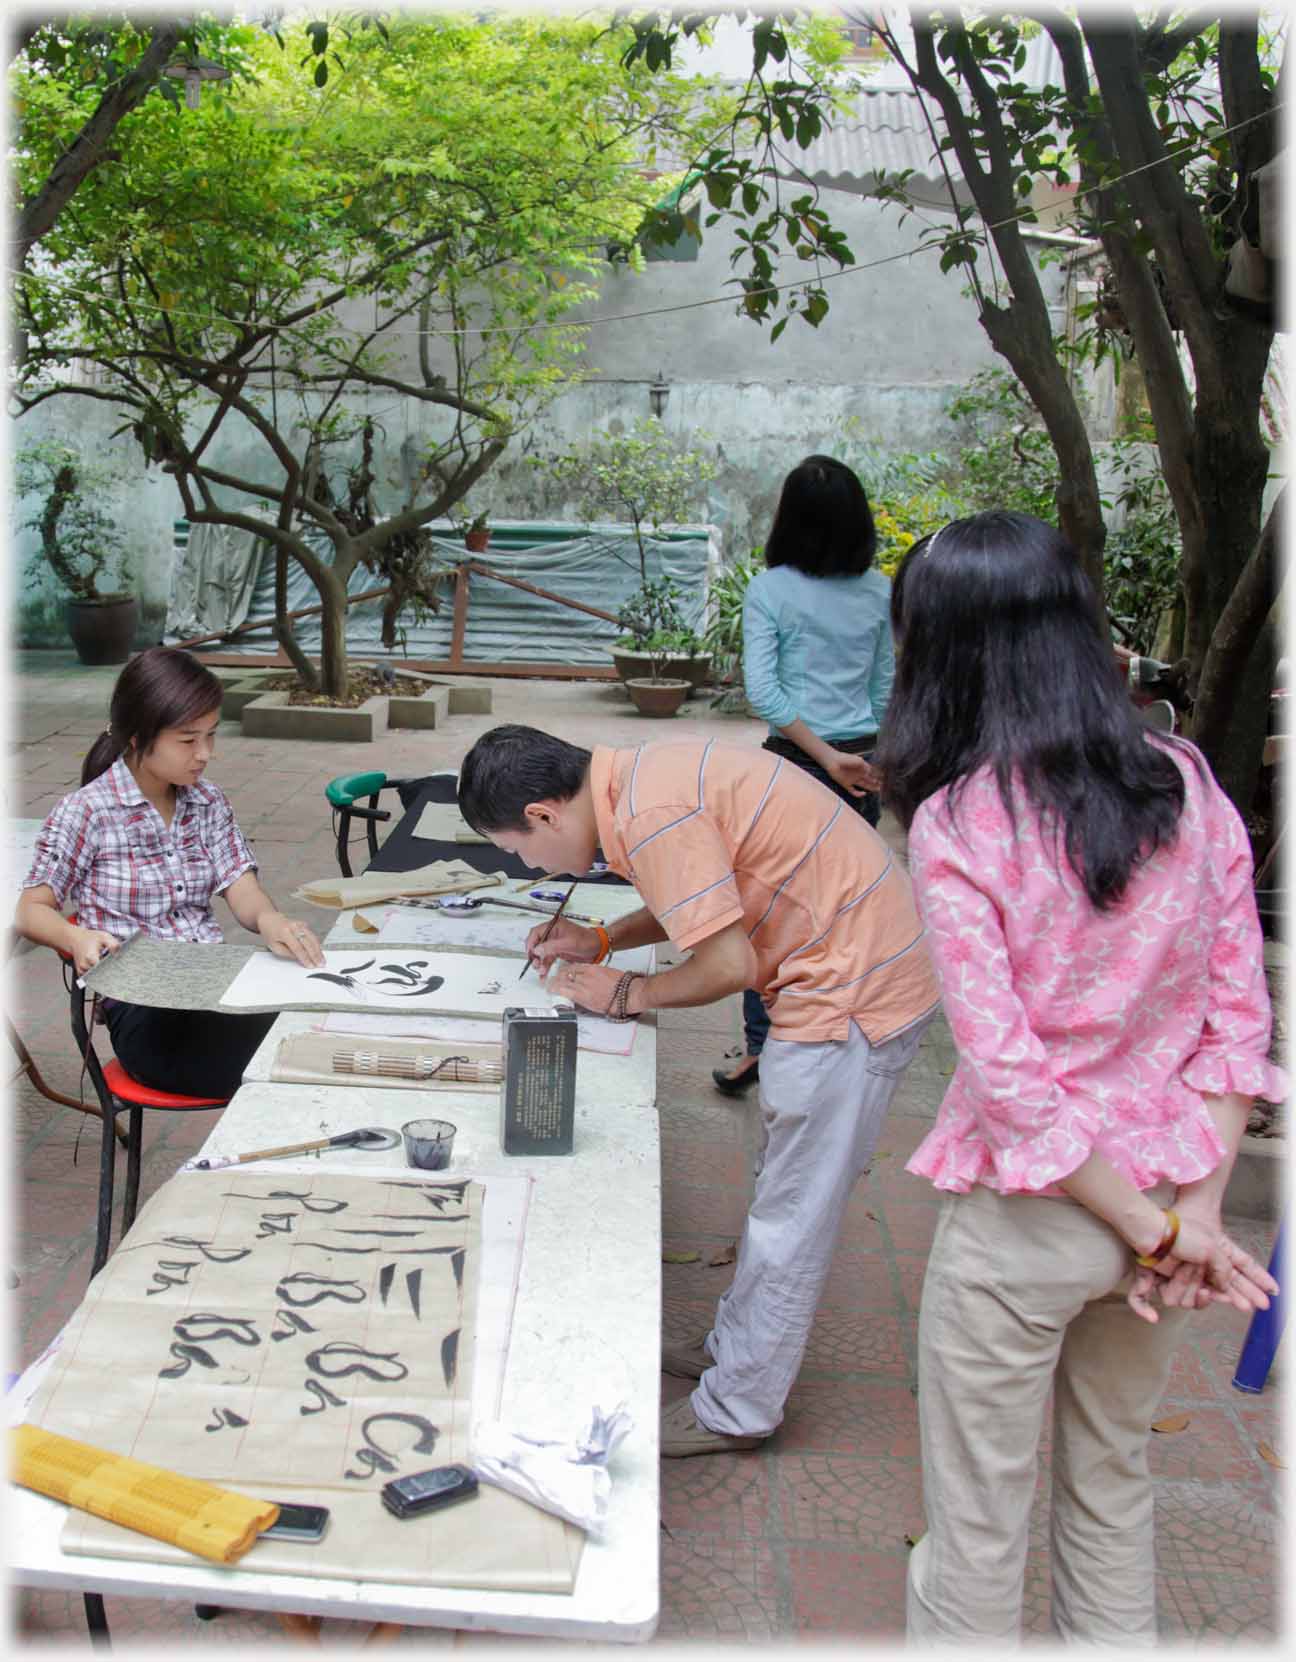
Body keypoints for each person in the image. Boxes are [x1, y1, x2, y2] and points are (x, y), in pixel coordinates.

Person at [873, 511, 1283, 1644]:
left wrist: (1167, 1232)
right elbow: (1238, 1021)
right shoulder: (1191, 783)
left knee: (978, 1532)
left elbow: (1011, 1083)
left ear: (939, 650)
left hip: (1037, 1222)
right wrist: (1187, 1216)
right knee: (1113, 1498)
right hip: (1164, 1202)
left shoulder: (958, 822)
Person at [458, 723, 939, 1457]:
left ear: (544, 816)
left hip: (853, 993)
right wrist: (602, 941)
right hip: (854, 959)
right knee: (784, 1194)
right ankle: (731, 1350)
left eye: (520, 852)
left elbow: (725, 965)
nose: (532, 867)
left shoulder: (650, 814)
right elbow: (701, 893)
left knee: (793, 1212)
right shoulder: (640, 781)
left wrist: (628, 993)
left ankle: (738, 1409)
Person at [16, 647, 324, 1099]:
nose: (205, 754)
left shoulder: (207, 801)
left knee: (308, 1028)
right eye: (188, 740)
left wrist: (270, 921)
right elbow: (30, 909)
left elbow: (241, 886)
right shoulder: (88, 812)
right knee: (293, 1059)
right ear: (138, 737)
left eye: (211, 736)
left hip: (214, 987)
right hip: (148, 1015)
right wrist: (76, 938)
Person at [715, 454, 894, 1097]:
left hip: (791, 765)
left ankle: (763, 1049)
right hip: (860, 764)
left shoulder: (772, 590)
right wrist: (864, 760)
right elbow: (884, 688)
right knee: (840, 916)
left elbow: (765, 692)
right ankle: (828, 1052)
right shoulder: (880, 591)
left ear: (789, 519)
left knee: (766, 915)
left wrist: (821, 755)